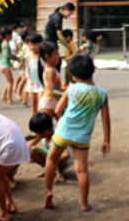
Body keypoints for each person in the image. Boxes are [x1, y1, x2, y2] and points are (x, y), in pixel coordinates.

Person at [44, 53, 110, 211]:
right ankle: (84, 203)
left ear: (73, 75)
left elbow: (58, 110)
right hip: (82, 136)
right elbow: (106, 119)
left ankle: (48, 192)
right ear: (93, 69)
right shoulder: (102, 93)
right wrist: (107, 140)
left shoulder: (72, 89)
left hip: (64, 131)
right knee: (81, 169)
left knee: (52, 160)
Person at [27, 112, 72, 181]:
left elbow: (66, 155)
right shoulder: (44, 135)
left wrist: (50, 161)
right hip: (52, 158)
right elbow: (29, 146)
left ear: (46, 131)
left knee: (34, 150)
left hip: (63, 161)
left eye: (37, 133)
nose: (37, 135)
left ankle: (58, 172)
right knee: (32, 151)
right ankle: (50, 171)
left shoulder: (57, 137)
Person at [38, 41, 63, 119]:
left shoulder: (52, 68)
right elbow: (54, 91)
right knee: (45, 129)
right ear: (47, 57)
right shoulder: (50, 71)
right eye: (56, 54)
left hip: (53, 103)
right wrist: (67, 94)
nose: (58, 56)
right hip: (48, 104)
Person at [0, 27, 19, 104]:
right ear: (7, 35)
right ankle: (9, 99)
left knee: (8, 81)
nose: (12, 36)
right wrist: (16, 58)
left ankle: (4, 96)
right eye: (11, 35)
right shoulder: (6, 44)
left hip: (3, 64)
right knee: (11, 82)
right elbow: (7, 55)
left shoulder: (3, 43)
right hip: (5, 64)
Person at [25, 32, 44, 114]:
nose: (31, 47)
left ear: (40, 44)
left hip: (41, 83)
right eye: (29, 45)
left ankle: (42, 121)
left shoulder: (43, 56)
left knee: (41, 104)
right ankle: (35, 121)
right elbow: (27, 68)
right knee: (33, 104)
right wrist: (28, 80)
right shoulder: (28, 56)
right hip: (32, 83)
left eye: (33, 45)